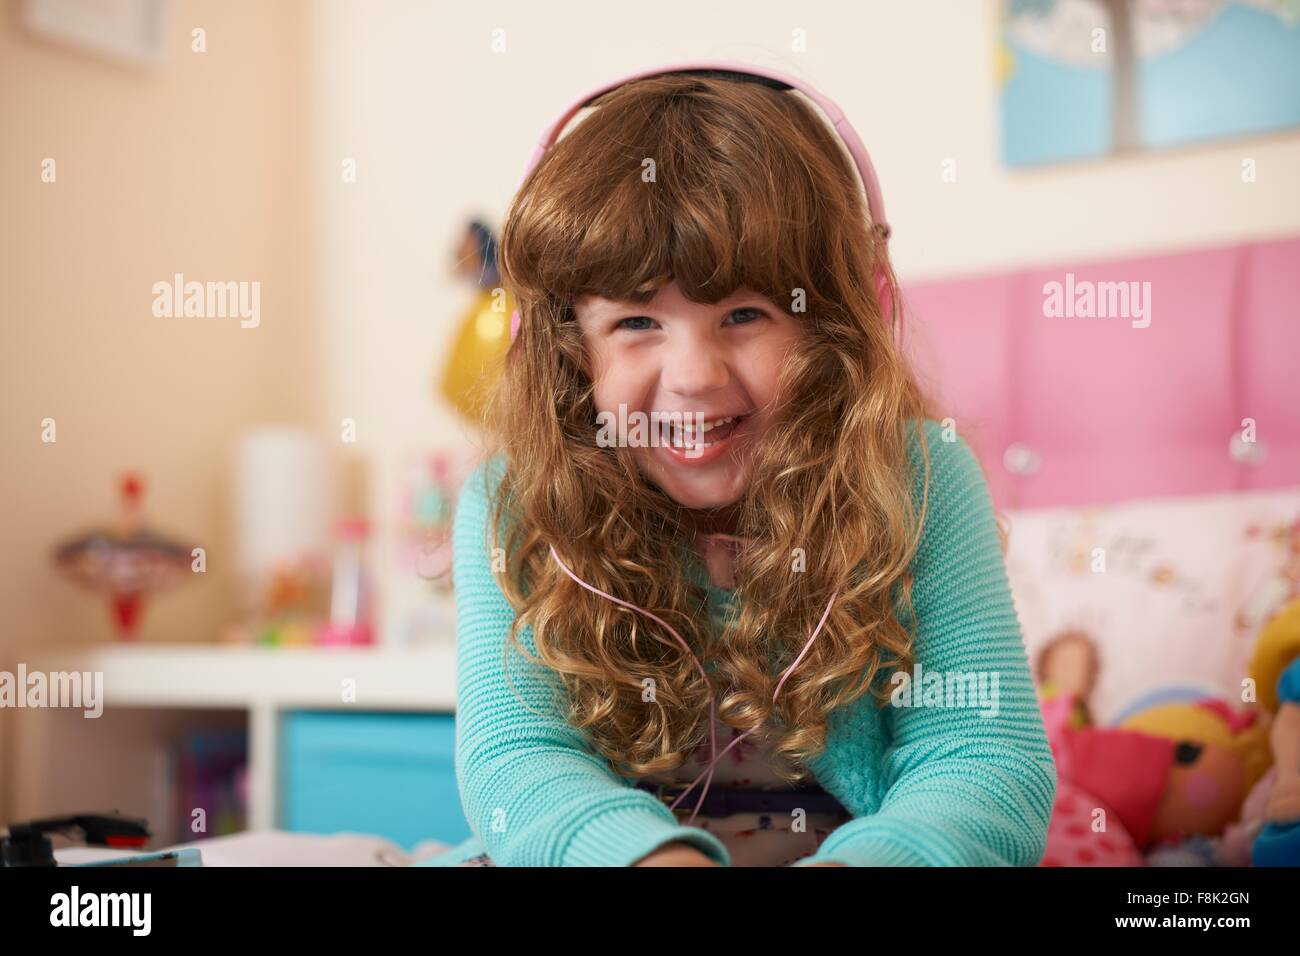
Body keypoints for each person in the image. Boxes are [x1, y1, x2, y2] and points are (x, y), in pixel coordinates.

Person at [423, 68, 1056, 867]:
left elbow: (982, 762)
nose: (693, 375)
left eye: (746, 315)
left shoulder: (920, 481)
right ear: (566, 349)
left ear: (836, 325)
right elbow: (518, 767)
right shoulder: (514, 505)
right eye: (637, 321)